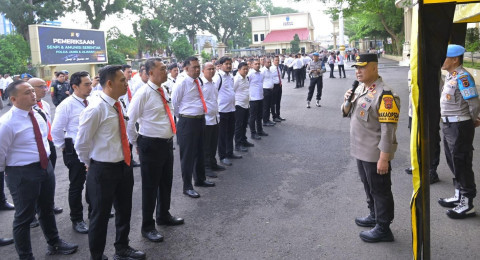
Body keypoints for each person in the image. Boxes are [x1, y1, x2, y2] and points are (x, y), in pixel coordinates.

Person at [0, 80, 79, 259]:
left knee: (46, 208)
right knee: (24, 217)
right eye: (27, 92)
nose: (33, 94)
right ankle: (26, 256)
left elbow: (44, 140)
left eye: (32, 91)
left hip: (45, 168)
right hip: (22, 173)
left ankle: (54, 243)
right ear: (13, 99)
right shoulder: (6, 123)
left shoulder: (38, 112)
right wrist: (11, 175)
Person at [75, 65, 146, 260]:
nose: (126, 83)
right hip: (102, 169)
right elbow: (81, 143)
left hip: (123, 165)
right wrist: (90, 163)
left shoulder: (118, 103)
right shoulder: (96, 108)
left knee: (124, 210)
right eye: (122, 80)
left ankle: (122, 247)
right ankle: (97, 255)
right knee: (100, 216)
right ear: (109, 83)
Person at [342, 53, 400, 243]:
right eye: (356, 68)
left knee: (380, 190)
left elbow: (388, 130)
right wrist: (346, 100)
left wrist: (384, 157)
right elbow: (346, 112)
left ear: (374, 68)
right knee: (369, 187)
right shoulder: (360, 88)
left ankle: (384, 227)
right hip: (360, 150)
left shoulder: (385, 94)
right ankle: (374, 215)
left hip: (375, 153)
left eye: (362, 67)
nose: (358, 71)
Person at [127, 58, 184, 243]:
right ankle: (147, 226)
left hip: (166, 143)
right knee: (150, 187)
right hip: (150, 145)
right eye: (162, 69)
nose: (166, 71)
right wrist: (137, 143)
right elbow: (130, 121)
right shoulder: (142, 93)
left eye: (166, 68)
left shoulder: (164, 89)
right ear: (150, 72)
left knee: (166, 182)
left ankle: (163, 215)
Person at [437, 44, 480, 219]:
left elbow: (474, 103)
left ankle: (467, 203)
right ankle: (459, 194)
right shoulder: (450, 76)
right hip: (449, 126)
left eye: (444, 57)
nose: (441, 61)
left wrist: (471, 121)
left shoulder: (463, 77)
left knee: (461, 162)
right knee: (452, 161)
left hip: (459, 126)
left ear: (455, 59)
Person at [51, 71, 92, 234]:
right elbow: (56, 130)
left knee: (93, 181)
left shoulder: (90, 101)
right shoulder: (66, 105)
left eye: (90, 83)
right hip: (74, 150)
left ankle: (93, 210)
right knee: (77, 185)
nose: (90, 87)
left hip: (92, 149)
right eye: (86, 84)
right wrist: (64, 147)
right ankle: (77, 219)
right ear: (75, 86)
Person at [172, 56, 215, 199]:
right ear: (185, 68)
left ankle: (200, 179)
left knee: (200, 151)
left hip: (200, 120)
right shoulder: (182, 82)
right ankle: (187, 186)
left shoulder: (198, 81)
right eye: (194, 67)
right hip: (187, 122)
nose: (197, 70)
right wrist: (184, 117)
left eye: (198, 67)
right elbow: (175, 104)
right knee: (188, 156)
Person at [214, 56, 242, 166]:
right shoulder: (217, 77)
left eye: (230, 63)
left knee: (231, 132)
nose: (229, 65)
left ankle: (230, 152)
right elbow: (213, 93)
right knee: (222, 135)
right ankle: (222, 156)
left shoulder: (230, 76)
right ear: (220, 65)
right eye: (226, 64)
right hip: (222, 110)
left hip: (231, 108)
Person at [202, 62, 225, 178]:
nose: (211, 71)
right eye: (208, 69)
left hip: (215, 118)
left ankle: (213, 163)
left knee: (213, 144)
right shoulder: (201, 85)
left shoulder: (214, 83)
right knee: (206, 146)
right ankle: (206, 168)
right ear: (203, 71)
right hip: (206, 119)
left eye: (213, 69)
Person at [234, 62, 254, 152]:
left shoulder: (246, 78)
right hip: (239, 105)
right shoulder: (236, 79)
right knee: (239, 125)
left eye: (247, 69)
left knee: (244, 124)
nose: (246, 71)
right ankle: (238, 144)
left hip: (246, 104)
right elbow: (232, 92)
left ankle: (244, 140)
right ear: (239, 70)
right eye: (244, 69)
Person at [248, 59, 267, 140]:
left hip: (260, 97)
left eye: (258, 64)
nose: (258, 65)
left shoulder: (261, 74)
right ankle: (253, 133)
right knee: (252, 117)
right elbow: (247, 86)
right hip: (253, 99)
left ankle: (260, 130)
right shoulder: (250, 74)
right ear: (252, 65)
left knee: (259, 116)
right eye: (255, 64)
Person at [271, 56, 286, 122]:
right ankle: (274, 116)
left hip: (279, 86)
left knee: (278, 102)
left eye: (278, 60)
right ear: (273, 61)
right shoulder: (271, 69)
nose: (277, 61)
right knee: (273, 102)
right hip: (274, 86)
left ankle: (278, 115)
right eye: (276, 60)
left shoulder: (278, 67)